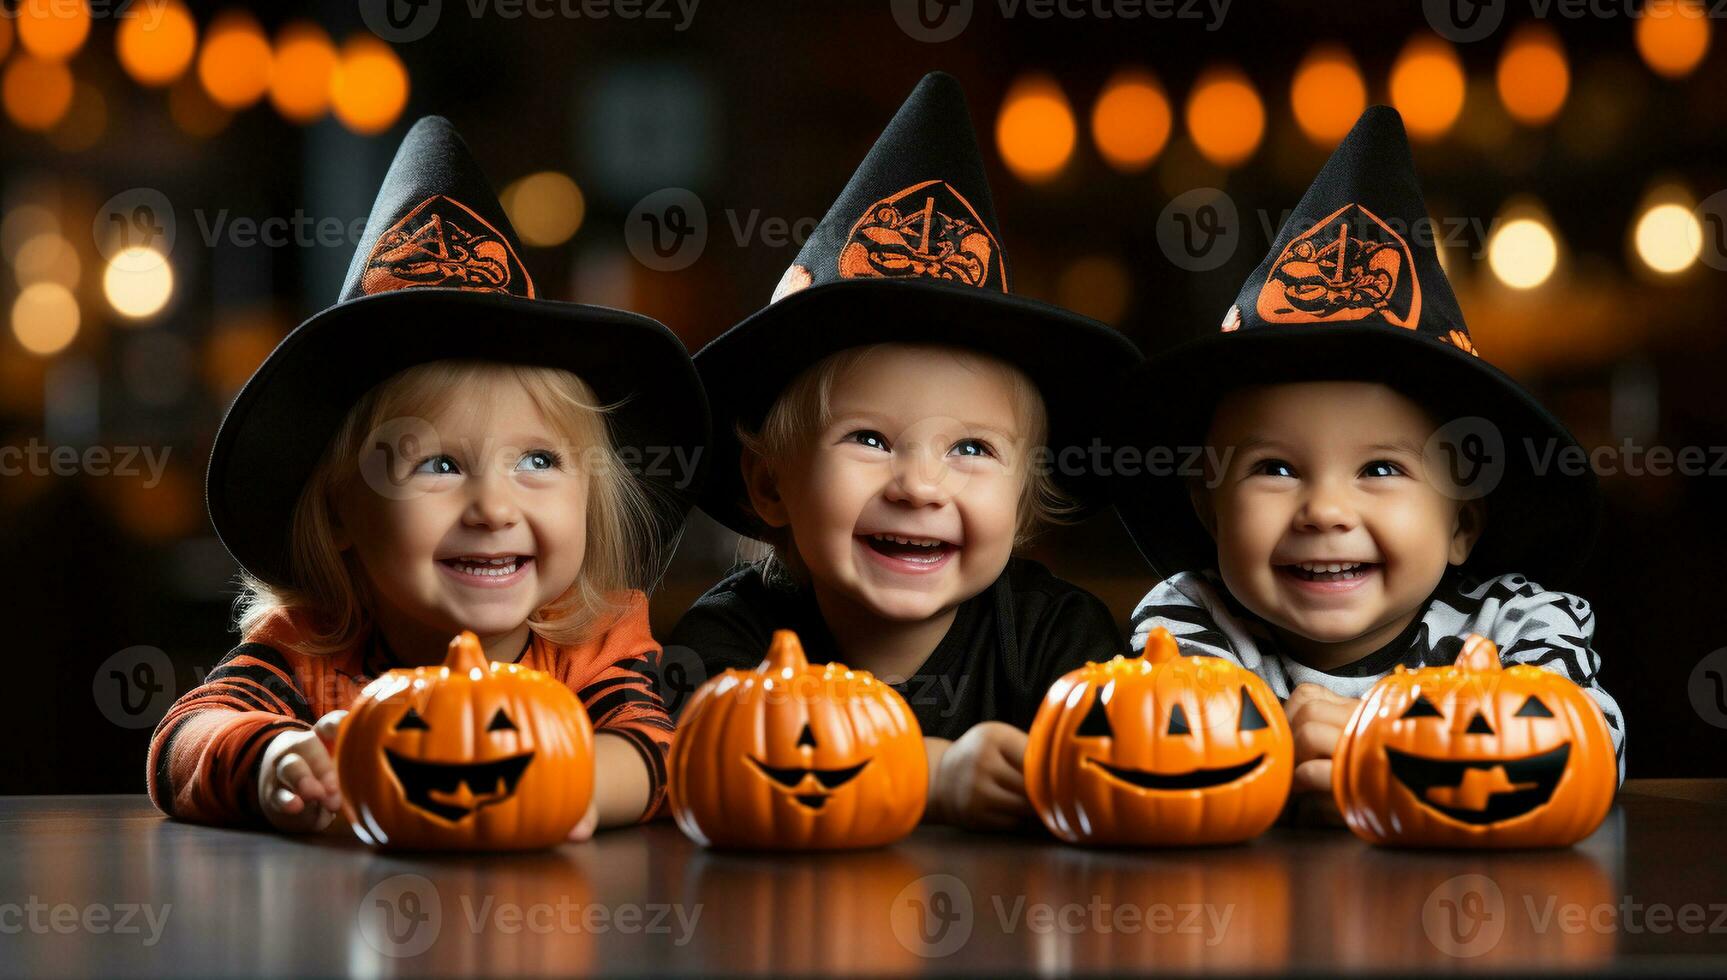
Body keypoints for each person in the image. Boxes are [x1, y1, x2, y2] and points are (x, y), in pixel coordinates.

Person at [147, 117, 709, 838]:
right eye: (437, 465)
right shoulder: (311, 648)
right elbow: (181, 739)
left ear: (592, 496)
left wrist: (560, 786)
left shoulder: (591, 644)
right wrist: (276, 758)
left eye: (537, 461)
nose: (492, 507)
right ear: (342, 512)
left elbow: (658, 749)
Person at [1113, 107, 1626, 820]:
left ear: (1461, 526)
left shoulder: (1516, 624)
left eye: (1381, 470)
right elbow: (1155, 758)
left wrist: (1381, 748)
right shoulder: (1191, 623)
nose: (1325, 510)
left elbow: (1587, 750)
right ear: (1208, 506)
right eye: (1275, 469)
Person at [668, 73, 1141, 831]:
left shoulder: (1056, 638)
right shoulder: (734, 640)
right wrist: (931, 770)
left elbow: (1131, 773)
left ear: (1021, 501)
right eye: (869, 439)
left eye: (971, 449)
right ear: (768, 485)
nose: (920, 486)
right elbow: (708, 763)